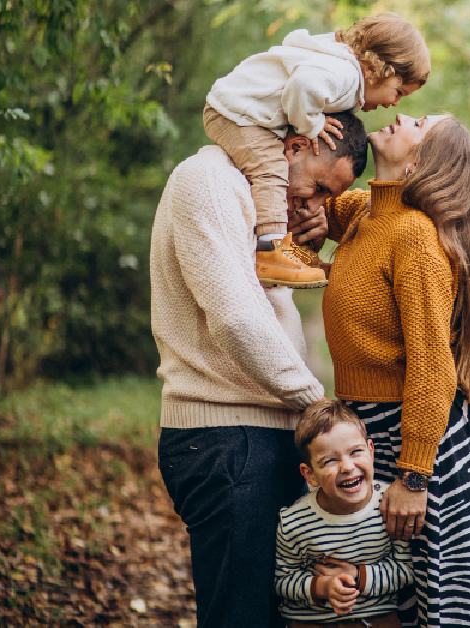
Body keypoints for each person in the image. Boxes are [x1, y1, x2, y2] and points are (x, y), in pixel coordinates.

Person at [150, 110, 368, 628]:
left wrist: (301, 240)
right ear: (295, 145)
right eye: (316, 186)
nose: (313, 203)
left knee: (280, 614)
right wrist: (318, 405)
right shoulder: (207, 182)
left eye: (327, 199)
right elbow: (234, 320)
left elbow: (269, 301)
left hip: (262, 434)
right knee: (240, 616)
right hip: (226, 438)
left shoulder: (258, 204)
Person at [315, 112, 470, 627]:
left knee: (441, 612)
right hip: (374, 435)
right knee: (379, 607)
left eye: (419, 122)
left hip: (423, 449)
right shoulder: (367, 216)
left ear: (424, 161)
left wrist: (413, 476)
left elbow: (433, 364)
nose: (399, 115)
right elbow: (320, 197)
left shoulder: (415, 237)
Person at [204, 14, 430, 288]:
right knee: (272, 171)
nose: (395, 103)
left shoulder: (341, 71)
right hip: (235, 113)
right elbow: (302, 85)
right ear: (375, 69)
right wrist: (312, 125)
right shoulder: (344, 75)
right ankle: (271, 252)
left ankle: (284, 250)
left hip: (240, 111)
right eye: (399, 91)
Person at [275, 400, 414, 628]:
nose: (347, 467)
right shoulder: (294, 521)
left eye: (355, 452)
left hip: (377, 618)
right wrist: (322, 587)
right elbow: (282, 580)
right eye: (330, 460)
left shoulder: (389, 506)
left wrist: (359, 576)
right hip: (312, 621)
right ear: (310, 474)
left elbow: (405, 569)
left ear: (370, 451)